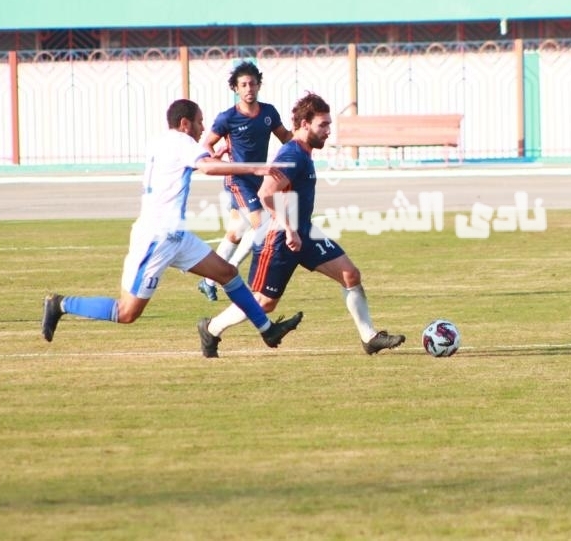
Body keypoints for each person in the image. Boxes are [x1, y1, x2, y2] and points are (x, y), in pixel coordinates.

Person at [41, 98, 303, 349]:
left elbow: (193, 165)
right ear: (185, 124)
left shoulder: (163, 142)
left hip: (176, 235)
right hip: (157, 237)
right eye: (200, 122)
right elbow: (207, 168)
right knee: (127, 312)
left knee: (228, 274)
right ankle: (61, 304)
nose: (203, 129)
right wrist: (255, 168)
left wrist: (217, 156)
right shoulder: (182, 141)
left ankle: (267, 330)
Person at [197, 92, 406, 357]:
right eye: (323, 125)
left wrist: (298, 229)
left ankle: (369, 337)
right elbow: (265, 194)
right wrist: (290, 228)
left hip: (304, 232)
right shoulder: (292, 153)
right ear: (305, 124)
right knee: (264, 303)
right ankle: (212, 328)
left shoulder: (304, 152)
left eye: (329, 124)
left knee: (350, 274)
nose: (328, 131)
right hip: (278, 238)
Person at [196, 60, 292, 302]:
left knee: (236, 233)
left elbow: (286, 139)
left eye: (252, 83)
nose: (249, 88)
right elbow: (207, 143)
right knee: (262, 225)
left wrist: (304, 142)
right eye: (243, 85)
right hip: (237, 180)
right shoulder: (227, 118)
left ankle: (207, 281)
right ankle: (229, 272)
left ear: (259, 85)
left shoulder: (269, 113)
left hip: (260, 179)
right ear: (235, 89)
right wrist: (212, 155)